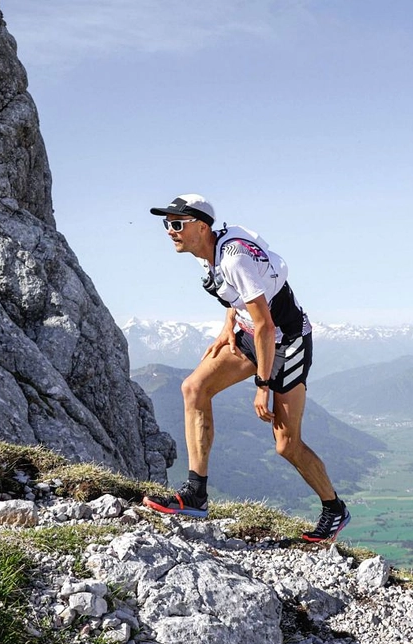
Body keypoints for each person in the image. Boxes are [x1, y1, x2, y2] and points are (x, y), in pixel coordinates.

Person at [142, 193, 352, 542]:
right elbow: (235, 296)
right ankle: (195, 494)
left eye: (177, 224)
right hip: (249, 334)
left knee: (287, 445)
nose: (170, 231)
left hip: (286, 341)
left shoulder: (234, 258)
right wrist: (228, 327)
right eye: (167, 224)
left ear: (202, 226)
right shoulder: (206, 253)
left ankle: (334, 508)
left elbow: (267, 326)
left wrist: (262, 385)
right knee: (193, 388)